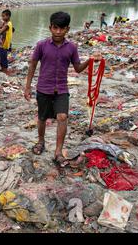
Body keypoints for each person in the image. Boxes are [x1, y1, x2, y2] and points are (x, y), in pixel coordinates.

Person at [24, 12, 101, 168]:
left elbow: (78, 68)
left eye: (62, 29)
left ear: (68, 29)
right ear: (50, 27)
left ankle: (58, 152)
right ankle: (41, 142)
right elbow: (32, 64)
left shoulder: (71, 47)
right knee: (42, 117)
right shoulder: (41, 45)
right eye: (55, 28)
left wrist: (90, 60)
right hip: (44, 88)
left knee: (62, 117)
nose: (58, 32)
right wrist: (27, 87)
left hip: (62, 89)